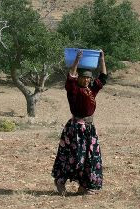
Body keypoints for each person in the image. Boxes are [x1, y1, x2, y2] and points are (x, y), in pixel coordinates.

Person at [51, 49, 107, 195]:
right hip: (75, 129)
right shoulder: (73, 89)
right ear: (79, 78)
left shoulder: (92, 90)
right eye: (84, 77)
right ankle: (60, 182)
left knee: (90, 157)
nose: (87, 80)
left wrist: (102, 59)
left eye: (89, 78)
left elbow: (104, 77)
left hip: (89, 129)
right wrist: (77, 60)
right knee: (73, 156)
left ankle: (84, 186)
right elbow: (71, 76)